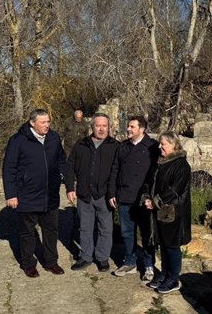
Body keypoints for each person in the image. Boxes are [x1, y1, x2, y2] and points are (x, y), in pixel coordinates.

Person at [3, 109, 67, 278]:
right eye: (43, 122)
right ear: (32, 123)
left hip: (50, 194)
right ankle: (28, 263)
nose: (47, 125)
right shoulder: (18, 140)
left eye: (48, 122)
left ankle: (51, 262)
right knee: (27, 232)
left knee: (51, 230)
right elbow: (9, 168)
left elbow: (61, 159)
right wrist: (11, 194)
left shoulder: (53, 138)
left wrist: (63, 177)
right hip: (27, 194)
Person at [65, 113, 119, 272]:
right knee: (85, 227)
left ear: (109, 127)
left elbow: (119, 171)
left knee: (106, 229)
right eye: (98, 126)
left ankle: (102, 258)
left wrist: (114, 193)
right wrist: (69, 188)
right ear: (92, 127)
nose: (101, 129)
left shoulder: (115, 146)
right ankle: (86, 256)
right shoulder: (81, 145)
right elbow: (70, 167)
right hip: (84, 194)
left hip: (105, 195)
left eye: (104, 126)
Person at [142, 131, 191, 294]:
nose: (159, 146)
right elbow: (151, 183)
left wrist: (155, 202)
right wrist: (147, 197)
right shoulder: (161, 162)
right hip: (160, 212)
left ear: (173, 145)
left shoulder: (181, 165)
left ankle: (173, 278)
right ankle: (164, 274)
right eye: (160, 143)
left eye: (163, 144)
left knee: (172, 246)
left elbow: (175, 190)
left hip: (173, 213)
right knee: (163, 245)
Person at [110, 116, 159, 280]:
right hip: (125, 197)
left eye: (132, 127)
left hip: (144, 199)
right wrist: (112, 192)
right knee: (127, 233)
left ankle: (149, 265)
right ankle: (129, 262)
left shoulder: (152, 146)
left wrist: (153, 197)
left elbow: (157, 173)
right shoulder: (122, 146)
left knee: (147, 234)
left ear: (142, 129)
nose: (128, 129)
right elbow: (115, 170)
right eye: (128, 126)